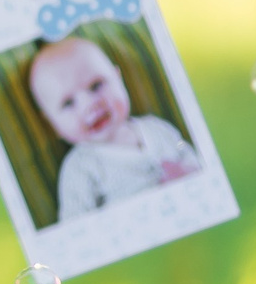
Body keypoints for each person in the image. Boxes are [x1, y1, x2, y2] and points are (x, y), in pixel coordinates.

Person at [28, 35, 199, 218]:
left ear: (118, 79)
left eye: (96, 86)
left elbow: (183, 148)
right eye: (68, 103)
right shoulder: (79, 169)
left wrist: (189, 169)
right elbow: (76, 228)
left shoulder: (157, 128)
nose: (89, 104)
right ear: (53, 125)